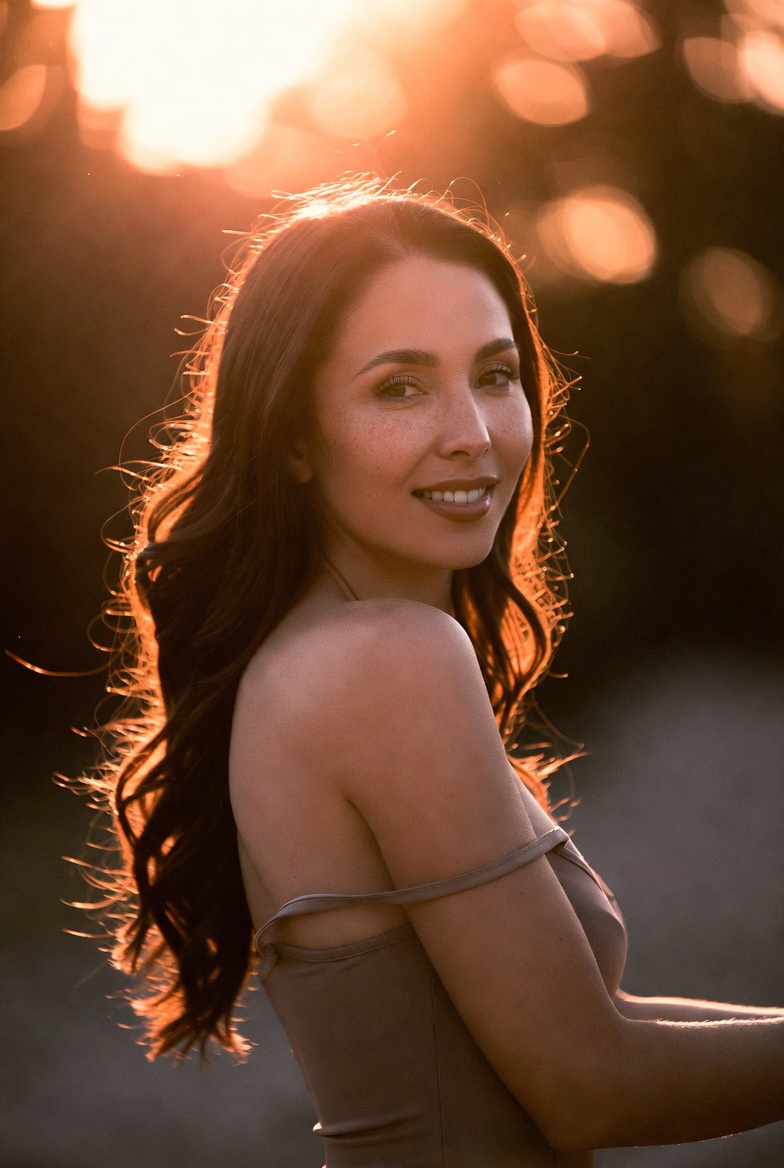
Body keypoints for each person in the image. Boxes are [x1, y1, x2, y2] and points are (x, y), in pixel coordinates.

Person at [83, 178, 784, 1167]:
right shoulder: (384, 662)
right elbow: (593, 1087)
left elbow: (583, 1024)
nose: (473, 432)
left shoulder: (317, 653)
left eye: (495, 375)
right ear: (289, 436)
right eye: (399, 387)